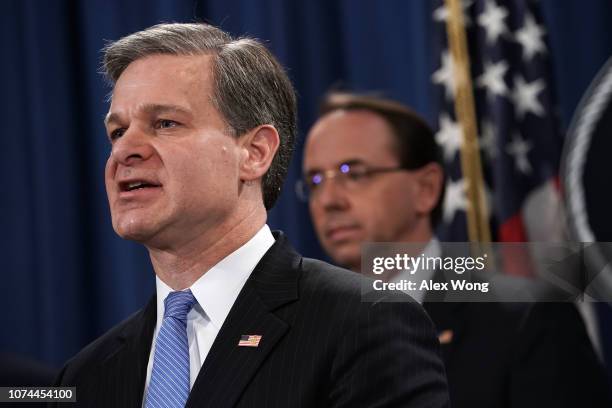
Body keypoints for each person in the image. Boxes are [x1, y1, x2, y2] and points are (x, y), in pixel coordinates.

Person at [51, 24, 449, 407]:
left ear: (255, 152)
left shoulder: (365, 326)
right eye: (117, 132)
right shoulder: (85, 376)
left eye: (165, 123)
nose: (125, 151)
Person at [303, 91, 612, 408]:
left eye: (354, 174)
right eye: (315, 181)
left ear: (427, 189)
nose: (328, 200)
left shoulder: (529, 318)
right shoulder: (303, 342)